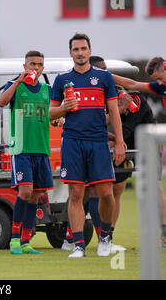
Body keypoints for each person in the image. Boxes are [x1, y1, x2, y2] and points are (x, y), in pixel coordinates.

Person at [49, 33, 126, 258]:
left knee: (105, 192)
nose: (80, 53)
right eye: (76, 49)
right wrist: (64, 107)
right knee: (75, 193)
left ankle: (106, 236)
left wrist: (119, 141)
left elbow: (113, 111)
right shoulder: (62, 79)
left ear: (90, 51)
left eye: (84, 49)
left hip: (98, 141)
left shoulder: (103, 78)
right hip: (72, 142)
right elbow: (50, 113)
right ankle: (79, 245)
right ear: (71, 52)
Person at [0, 50, 54, 255]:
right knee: (25, 192)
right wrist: (18, 81)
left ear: (43, 68)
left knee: (36, 196)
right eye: (31, 64)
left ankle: (25, 241)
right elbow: (1, 102)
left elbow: (52, 113)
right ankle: (13, 239)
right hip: (20, 148)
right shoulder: (16, 86)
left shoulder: (47, 90)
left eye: (39, 64)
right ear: (24, 66)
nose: (35, 68)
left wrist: (59, 117)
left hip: (41, 149)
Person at [112, 56, 166, 247]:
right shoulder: (161, 87)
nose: (159, 83)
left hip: (151, 144)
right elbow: (133, 83)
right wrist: (107, 76)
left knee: (156, 186)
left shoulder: (138, 103)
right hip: (141, 144)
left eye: (160, 77)